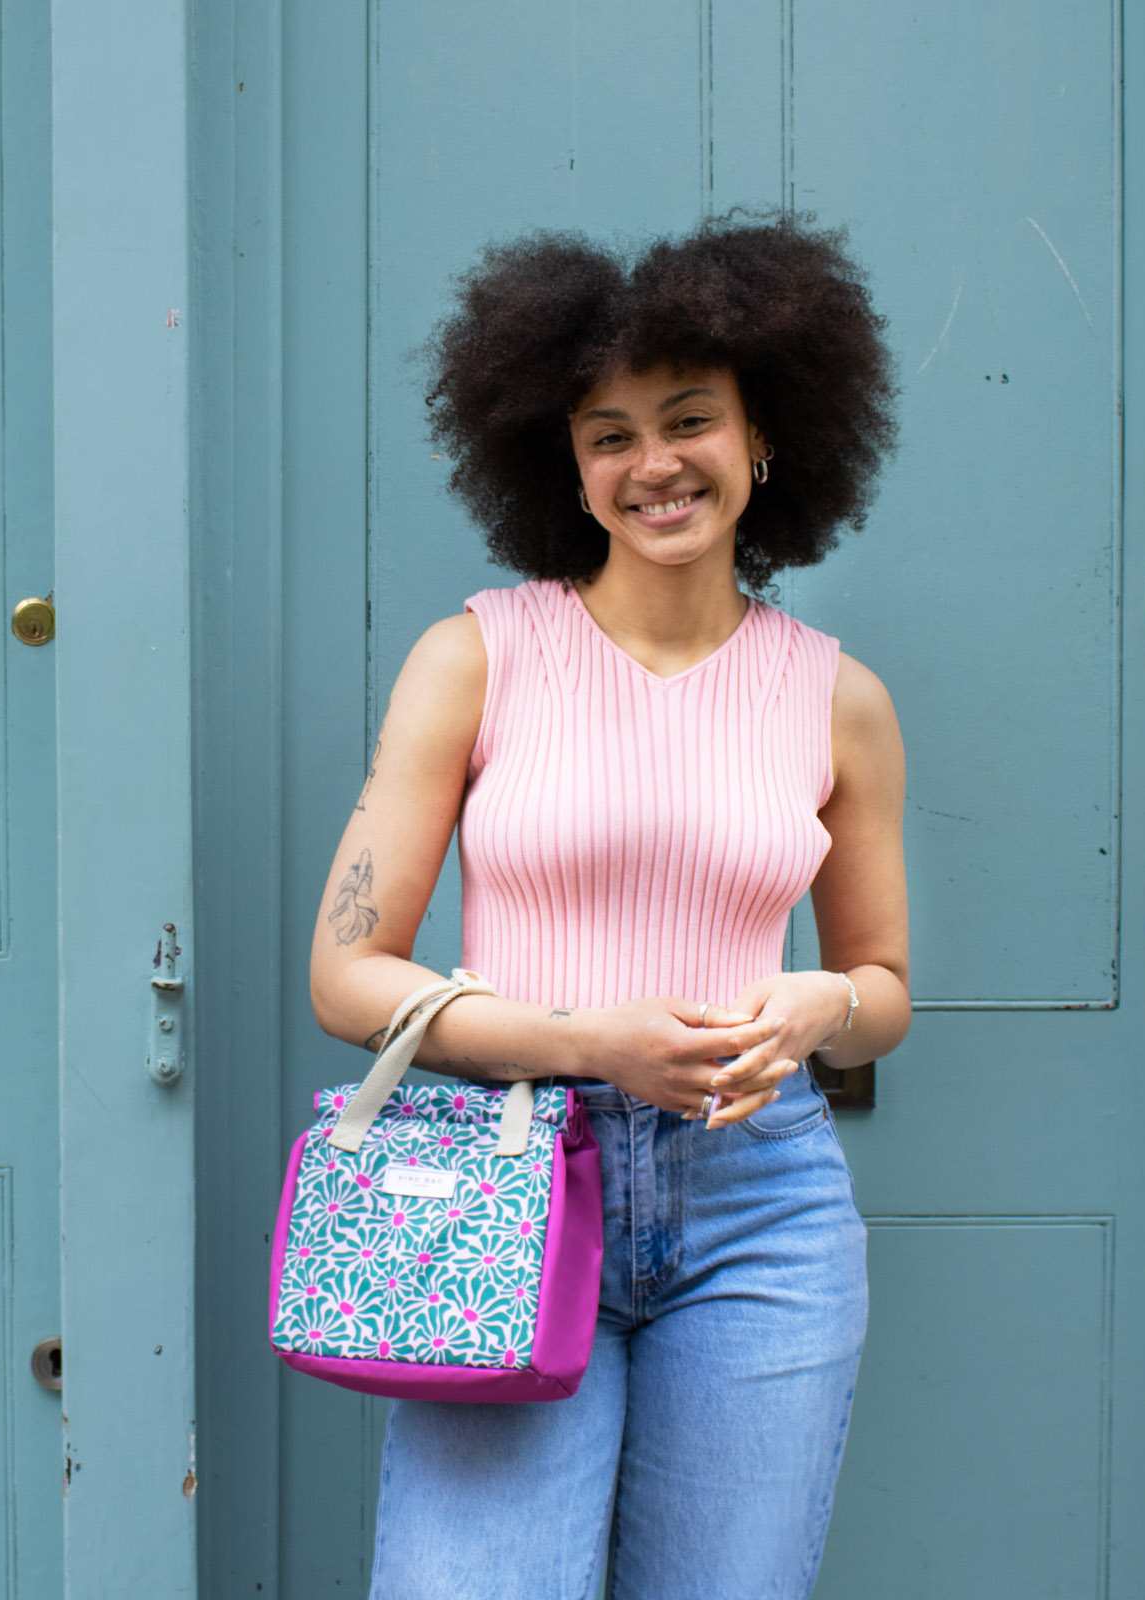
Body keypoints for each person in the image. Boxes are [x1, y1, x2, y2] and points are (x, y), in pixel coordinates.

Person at [308, 213, 910, 1600]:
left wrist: (825, 1003)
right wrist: (592, 1042)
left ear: (764, 439)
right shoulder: (476, 659)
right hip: (508, 1181)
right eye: (608, 434)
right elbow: (347, 977)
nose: (654, 464)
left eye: (690, 420)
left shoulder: (840, 698)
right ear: (565, 468)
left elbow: (881, 991)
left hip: (761, 1211)